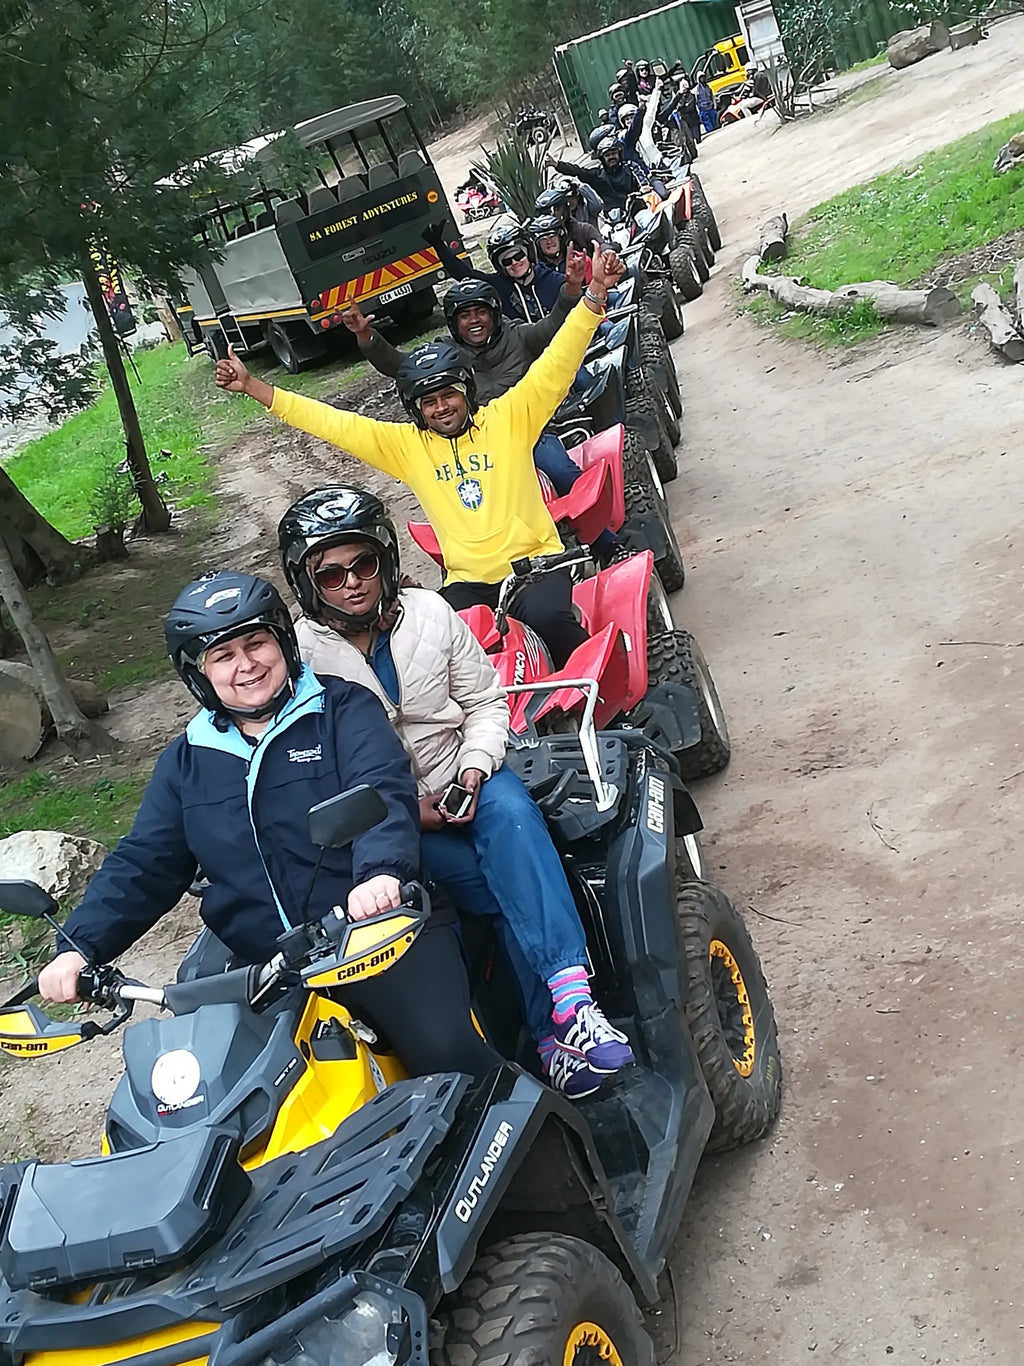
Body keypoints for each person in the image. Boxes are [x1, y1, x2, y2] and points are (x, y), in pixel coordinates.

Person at [36, 572, 502, 1084]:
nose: (246, 665)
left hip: (377, 937)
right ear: (199, 673)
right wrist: (79, 946)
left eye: (256, 643)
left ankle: (534, 1138)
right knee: (213, 1100)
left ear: (282, 642)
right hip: (266, 967)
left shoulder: (342, 709)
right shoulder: (187, 762)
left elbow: (382, 792)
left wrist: (380, 874)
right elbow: (146, 861)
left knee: (449, 1057)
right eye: (223, 655)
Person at [277, 487, 635, 1099]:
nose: (353, 583)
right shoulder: (300, 660)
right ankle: (555, 1037)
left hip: (467, 775)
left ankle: (572, 1001)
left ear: (386, 562)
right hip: (393, 818)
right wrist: (405, 811)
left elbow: (486, 704)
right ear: (308, 584)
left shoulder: (430, 615)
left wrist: (472, 770)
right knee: (486, 885)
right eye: (331, 575)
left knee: (516, 819)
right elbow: (321, 767)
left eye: (364, 565)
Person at [214, 245, 627, 668]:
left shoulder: (510, 417)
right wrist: (254, 388)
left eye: (449, 395)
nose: (442, 407)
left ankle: (612, 710)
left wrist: (594, 291)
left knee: (551, 621)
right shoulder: (406, 447)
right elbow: (331, 422)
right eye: (429, 402)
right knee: (437, 659)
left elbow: (558, 362)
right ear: (415, 409)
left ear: (467, 392)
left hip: (535, 565)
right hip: (466, 583)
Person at [423, 219, 562, 323]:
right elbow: (464, 274)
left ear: (529, 254)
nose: (515, 263)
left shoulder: (554, 280)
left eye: (518, 256)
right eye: (507, 261)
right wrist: (439, 245)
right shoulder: (498, 285)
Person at [533, 184, 603, 254]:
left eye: (556, 210)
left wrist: (607, 251)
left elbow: (602, 246)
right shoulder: (537, 240)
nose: (551, 216)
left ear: (564, 209)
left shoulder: (583, 230)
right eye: (545, 213)